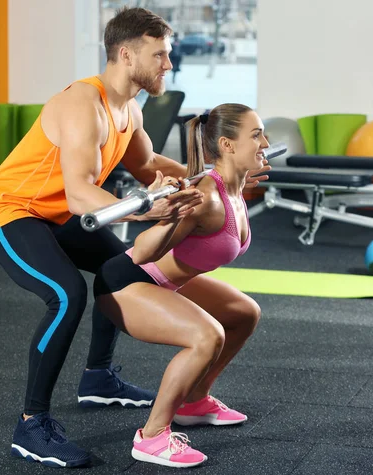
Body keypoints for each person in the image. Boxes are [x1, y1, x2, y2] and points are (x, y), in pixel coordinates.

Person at [0, 7, 270, 469]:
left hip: (54, 212)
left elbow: (149, 167)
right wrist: (151, 207)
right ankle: (32, 424)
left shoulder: (127, 108)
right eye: (161, 55)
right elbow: (79, 192)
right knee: (66, 294)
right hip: (8, 210)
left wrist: (212, 179)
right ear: (127, 54)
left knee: (121, 266)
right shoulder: (82, 104)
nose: (168, 65)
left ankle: (98, 378)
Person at [93, 103, 268, 468]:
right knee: (207, 336)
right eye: (257, 135)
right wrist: (171, 217)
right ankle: (152, 435)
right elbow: (140, 253)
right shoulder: (205, 199)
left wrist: (244, 175)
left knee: (245, 313)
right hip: (127, 282)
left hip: (166, 281)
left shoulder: (232, 187)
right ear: (227, 145)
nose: (265, 143)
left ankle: (195, 400)